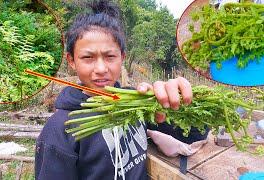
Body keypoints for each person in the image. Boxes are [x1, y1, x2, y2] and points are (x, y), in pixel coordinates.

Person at [35, 0, 208, 179]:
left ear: (122, 57)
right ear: (71, 61)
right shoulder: (59, 131)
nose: (101, 68)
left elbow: (192, 136)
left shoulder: (135, 104)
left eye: (110, 56)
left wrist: (180, 105)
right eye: (88, 57)